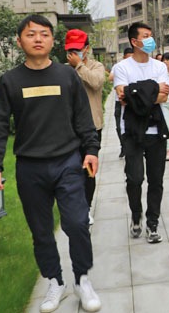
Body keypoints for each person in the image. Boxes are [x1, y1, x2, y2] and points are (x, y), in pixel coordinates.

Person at [0, 14, 102, 312]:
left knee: (77, 223)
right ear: (19, 40)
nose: (38, 39)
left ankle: (82, 278)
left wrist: (91, 149)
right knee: (41, 229)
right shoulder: (10, 81)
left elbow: (82, 117)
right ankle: (55, 280)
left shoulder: (67, 76)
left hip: (68, 162)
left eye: (44, 34)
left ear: (52, 40)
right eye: (31, 34)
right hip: (30, 167)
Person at [113, 22, 169, 244]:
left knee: (156, 180)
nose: (150, 39)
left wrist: (136, 93)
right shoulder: (122, 67)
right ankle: (135, 215)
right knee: (135, 178)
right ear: (134, 41)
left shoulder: (159, 67)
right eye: (145, 36)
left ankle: (152, 222)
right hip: (132, 132)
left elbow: (163, 97)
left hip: (156, 131)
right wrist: (152, 90)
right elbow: (122, 96)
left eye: (151, 35)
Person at [65, 29, 106, 227]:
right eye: (70, 50)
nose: (73, 54)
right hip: (68, 129)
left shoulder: (96, 66)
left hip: (92, 127)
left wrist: (79, 66)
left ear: (86, 48)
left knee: (89, 169)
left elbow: (97, 83)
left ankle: (87, 207)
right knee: (71, 169)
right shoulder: (63, 70)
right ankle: (75, 205)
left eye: (77, 50)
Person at [109, 48, 134, 158]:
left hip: (133, 101)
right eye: (127, 58)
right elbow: (110, 78)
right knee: (119, 126)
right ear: (124, 57)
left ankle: (134, 146)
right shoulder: (118, 67)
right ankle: (123, 146)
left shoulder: (136, 66)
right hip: (119, 101)